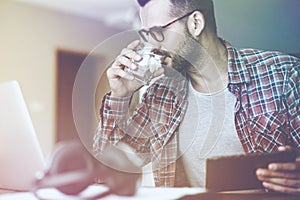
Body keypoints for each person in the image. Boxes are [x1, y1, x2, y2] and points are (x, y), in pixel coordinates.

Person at [93, 0, 300, 195]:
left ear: (195, 23)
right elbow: (107, 172)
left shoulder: (283, 75)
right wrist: (121, 96)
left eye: (157, 32)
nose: (151, 46)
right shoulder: (160, 94)